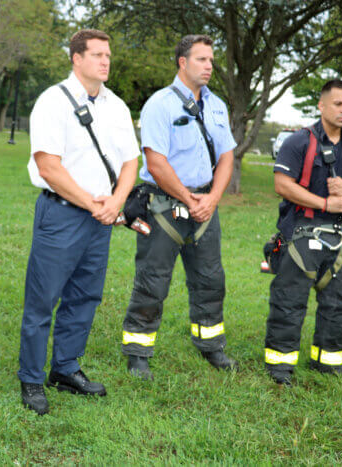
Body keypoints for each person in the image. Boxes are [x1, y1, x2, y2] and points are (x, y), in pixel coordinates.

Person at [19, 29, 139, 415]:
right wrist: (93, 203)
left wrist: (117, 201)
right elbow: (48, 167)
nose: (106, 61)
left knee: (85, 296)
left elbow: (130, 162)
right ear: (77, 58)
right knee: (43, 299)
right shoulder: (53, 102)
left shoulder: (116, 105)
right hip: (62, 214)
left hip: (101, 217)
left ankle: (66, 369)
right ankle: (32, 379)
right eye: (98, 54)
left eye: (109, 55)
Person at [121, 35, 238, 381]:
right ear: (182, 62)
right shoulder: (160, 105)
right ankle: (138, 352)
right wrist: (190, 200)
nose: (209, 66)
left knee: (210, 280)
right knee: (152, 281)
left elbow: (228, 155)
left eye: (212, 61)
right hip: (165, 208)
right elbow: (155, 162)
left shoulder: (217, 105)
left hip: (206, 206)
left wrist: (213, 198)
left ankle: (210, 345)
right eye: (201, 59)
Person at [264, 79, 342, 386]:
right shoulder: (299, 141)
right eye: (338, 104)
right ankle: (280, 365)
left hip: (340, 237)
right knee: (289, 300)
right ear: (321, 105)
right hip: (302, 233)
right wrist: (325, 202)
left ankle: (328, 361)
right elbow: (282, 185)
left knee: (340, 302)